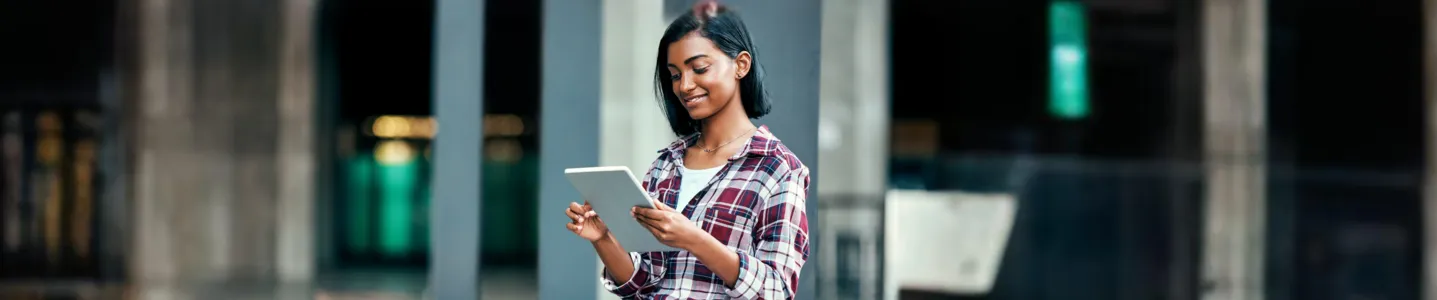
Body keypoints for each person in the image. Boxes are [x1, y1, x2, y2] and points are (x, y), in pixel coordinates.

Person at [563, 1, 810, 299]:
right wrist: (602, 239)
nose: (685, 86)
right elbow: (642, 281)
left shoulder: (777, 168)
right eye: (675, 74)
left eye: (699, 68)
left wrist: (695, 239)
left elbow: (776, 289)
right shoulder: (666, 164)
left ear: (741, 65)